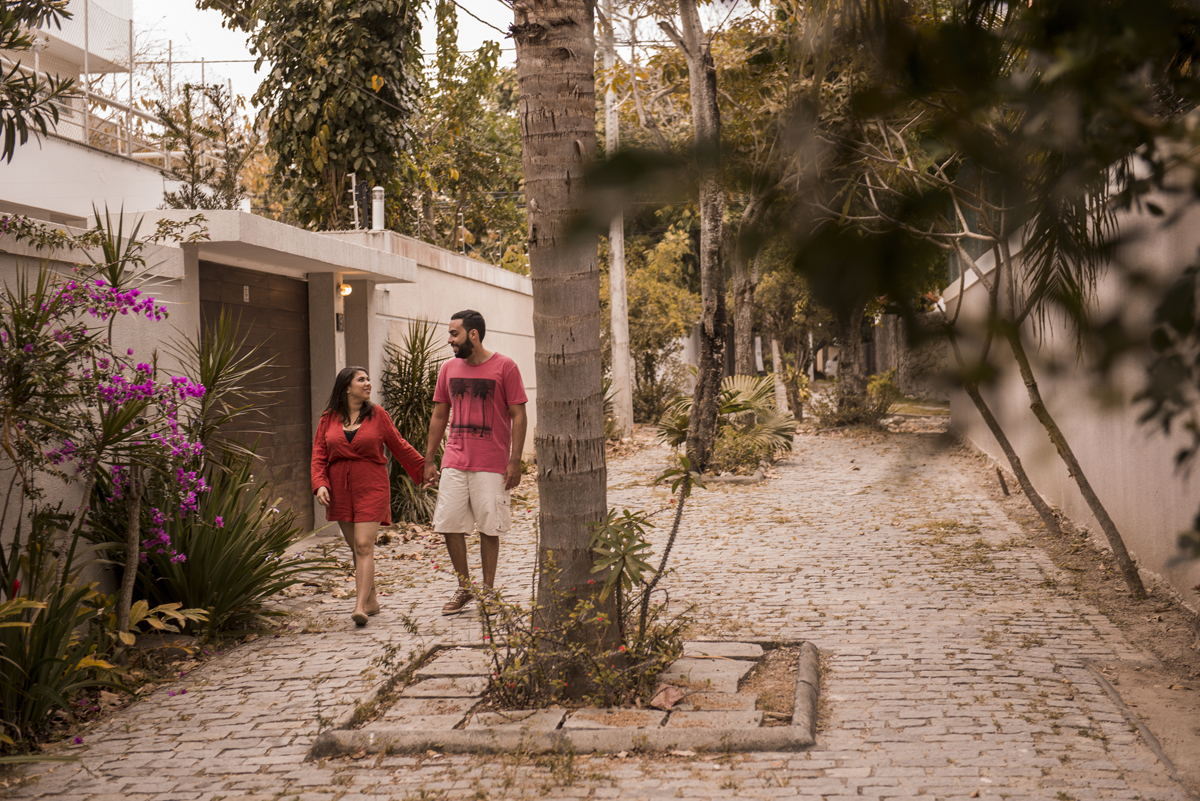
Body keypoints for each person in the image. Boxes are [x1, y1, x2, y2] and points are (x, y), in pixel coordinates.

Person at [424, 310, 528, 615]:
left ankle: (488, 591)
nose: (449, 339)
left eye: (454, 333)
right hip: (455, 459)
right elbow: (440, 415)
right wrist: (430, 459)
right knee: (448, 524)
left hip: (492, 461)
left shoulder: (505, 366)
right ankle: (464, 587)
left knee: (489, 527)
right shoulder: (448, 369)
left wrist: (516, 460)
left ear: (473, 334)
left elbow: (518, 414)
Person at [312, 366, 424, 627]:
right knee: (356, 548)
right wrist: (320, 484)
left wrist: (424, 468)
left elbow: (399, 445)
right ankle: (371, 599)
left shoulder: (378, 415)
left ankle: (359, 606)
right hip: (340, 488)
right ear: (347, 388)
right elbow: (318, 454)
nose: (368, 384)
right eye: (361, 380)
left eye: (368, 379)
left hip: (372, 486)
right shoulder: (328, 418)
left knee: (364, 545)